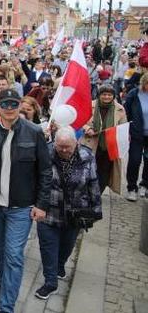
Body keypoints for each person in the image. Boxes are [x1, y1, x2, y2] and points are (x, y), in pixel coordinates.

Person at [0, 88, 51, 311]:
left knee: (13, 255)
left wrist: (41, 204)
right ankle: (4, 284)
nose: (10, 109)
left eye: (15, 104)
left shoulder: (34, 132)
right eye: (6, 104)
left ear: (20, 106)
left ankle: (7, 306)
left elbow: (45, 170)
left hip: (21, 207)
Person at [34, 126, 102, 300]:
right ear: (54, 143)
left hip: (75, 213)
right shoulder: (46, 153)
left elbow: (93, 183)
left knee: (67, 245)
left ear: (76, 143)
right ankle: (50, 283)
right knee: (48, 247)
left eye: (68, 147)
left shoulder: (87, 156)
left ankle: (60, 265)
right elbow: (35, 178)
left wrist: (95, 209)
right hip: (49, 210)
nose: (64, 150)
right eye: (60, 146)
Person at [81, 85, 127, 195]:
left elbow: (123, 127)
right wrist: (88, 128)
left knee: (104, 171)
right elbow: (81, 120)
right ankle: (86, 191)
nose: (107, 97)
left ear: (113, 96)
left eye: (109, 95)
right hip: (90, 144)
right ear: (99, 95)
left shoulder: (120, 108)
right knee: (89, 169)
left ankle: (97, 193)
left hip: (109, 146)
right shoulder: (90, 105)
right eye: (104, 94)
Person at [120, 72, 148, 201]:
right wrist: (126, 130)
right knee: (134, 160)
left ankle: (145, 184)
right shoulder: (134, 94)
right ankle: (132, 187)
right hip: (136, 133)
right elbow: (126, 113)